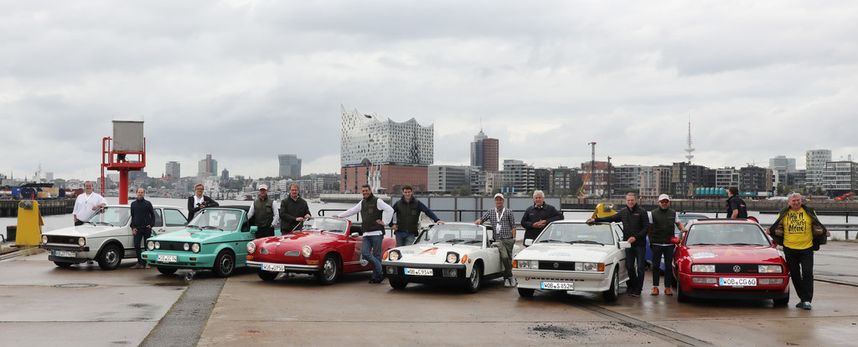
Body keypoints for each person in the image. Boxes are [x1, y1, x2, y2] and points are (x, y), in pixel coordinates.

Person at [768, 193, 828, 310]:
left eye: (798, 200)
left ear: (801, 201)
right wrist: (771, 231)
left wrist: (823, 231)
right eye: (794, 200)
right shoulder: (784, 213)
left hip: (807, 248)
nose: (796, 202)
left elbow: (817, 224)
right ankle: (803, 298)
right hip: (789, 248)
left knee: (807, 273)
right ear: (789, 202)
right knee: (795, 275)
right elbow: (778, 226)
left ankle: (807, 300)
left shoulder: (809, 211)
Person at [587, 192, 650, 297]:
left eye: (632, 200)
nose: (630, 202)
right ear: (626, 201)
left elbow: (646, 228)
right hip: (627, 244)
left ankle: (638, 289)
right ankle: (633, 286)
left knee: (640, 267)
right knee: (629, 267)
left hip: (639, 244)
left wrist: (636, 237)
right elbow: (610, 218)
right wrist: (595, 220)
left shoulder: (642, 212)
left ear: (636, 200)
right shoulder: (623, 212)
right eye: (628, 200)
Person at [336, 185, 394, 283]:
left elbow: (390, 209)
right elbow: (352, 211)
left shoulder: (378, 201)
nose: (365, 192)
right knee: (365, 253)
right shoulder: (362, 202)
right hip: (366, 233)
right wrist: (339, 216)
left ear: (370, 191)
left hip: (377, 233)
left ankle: (376, 278)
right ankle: (380, 272)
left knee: (376, 255)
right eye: (363, 191)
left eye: (366, 190)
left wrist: (385, 222)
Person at [475, 193, 517, 287]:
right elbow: (482, 219)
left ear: (503, 201)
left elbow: (513, 226)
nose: (498, 201)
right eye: (497, 200)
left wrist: (514, 239)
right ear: (495, 201)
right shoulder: (491, 211)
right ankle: (510, 276)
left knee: (509, 259)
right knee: (505, 257)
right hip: (498, 240)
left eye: (500, 200)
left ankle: (506, 278)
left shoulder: (509, 211)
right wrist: (477, 222)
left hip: (508, 239)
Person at [647, 194, 686, 296]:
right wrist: (650, 240)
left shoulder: (673, 213)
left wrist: (683, 229)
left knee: (668, 267)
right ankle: (655, 287)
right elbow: (649, 228)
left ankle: (667, 288)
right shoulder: (652, 213)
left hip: (669, 244)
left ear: (669, 202)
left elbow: (678, 224)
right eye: (662, 202)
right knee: (655, 266)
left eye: (666, 201)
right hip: (656, 243)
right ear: (658, 202)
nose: (664, 203)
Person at [130, 187, 155, 269]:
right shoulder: (133, 204)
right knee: (136, 245)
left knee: (147, 246)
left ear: (144, 193)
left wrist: (151, 225)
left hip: (146, 228)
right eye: (139, 192)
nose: (140, 194)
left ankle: (147, 263)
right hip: (137, 228)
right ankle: (140, 263)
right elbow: (133, 216)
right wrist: (133, 227)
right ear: (136, 193)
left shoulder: (148, 203)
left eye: (142, 192)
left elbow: (153, 215)